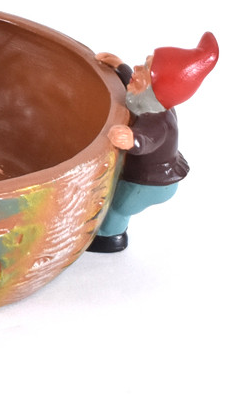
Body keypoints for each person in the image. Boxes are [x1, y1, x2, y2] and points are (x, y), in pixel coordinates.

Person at [90, 32, 218, 252]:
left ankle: (110, 236)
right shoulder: (148, 100)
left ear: (157, 88)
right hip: (149, 176)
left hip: (150, 184)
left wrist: (131, 139)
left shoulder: (158, 121)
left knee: (120, 205)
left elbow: (146, 140)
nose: (137, 69)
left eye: (145, 69)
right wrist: (120, 66)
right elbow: (134, 85)